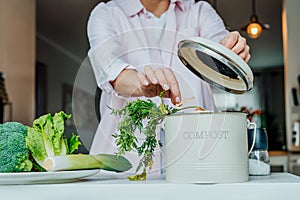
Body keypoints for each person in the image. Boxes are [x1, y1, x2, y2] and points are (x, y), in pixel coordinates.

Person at [87, 0, 250, 177]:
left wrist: (231, 49)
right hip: (126, 165)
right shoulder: (107, 13)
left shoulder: (199, 12)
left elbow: (219, 47)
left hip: (197, 161)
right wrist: (142, 84)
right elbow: (112, 71)